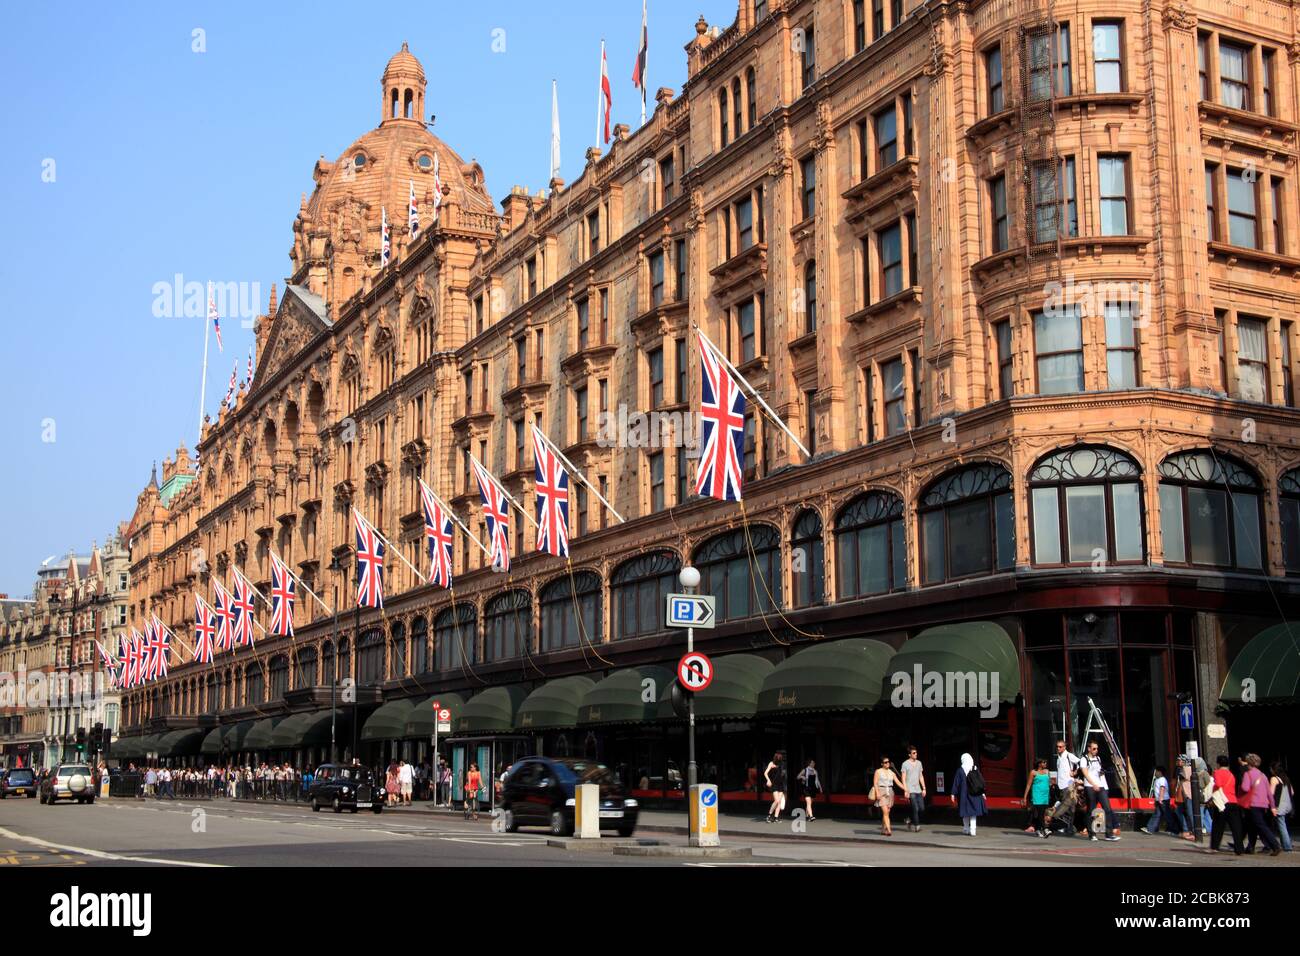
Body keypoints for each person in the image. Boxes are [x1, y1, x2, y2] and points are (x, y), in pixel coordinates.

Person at [1239, 753, 1282, 856]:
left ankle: (1275, 845)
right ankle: (1250, 847)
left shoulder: (1248, 774)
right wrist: (1272, 806)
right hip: (1263, 804)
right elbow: (1269, 793)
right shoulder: (1263, 775)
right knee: (1251, 825)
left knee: (1260, 825)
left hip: (1252, 803)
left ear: (1248, 763)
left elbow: (1245, 788)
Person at [1081, 741, 1120, 841]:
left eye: (1097, 749)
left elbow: (1099, 772)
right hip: (1090, 786)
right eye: (1094, 748)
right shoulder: (1084, 759)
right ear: (1089, 748)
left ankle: (1109, 833)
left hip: (1100, 786)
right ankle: (1092, 834)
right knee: (1091, 810)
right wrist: (1093, 784)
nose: (1096, 751)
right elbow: (1085, 773)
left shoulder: (1098, 758)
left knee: (1107, 808)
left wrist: (1102, 782)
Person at [1207, 753, 1245, 855]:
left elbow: (1218, 784)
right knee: (1236, 827)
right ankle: (1239, 848)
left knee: (1218, 826)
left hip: (1222, 802)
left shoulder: (1217, 772)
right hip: (1233, 801)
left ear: (1218, 763)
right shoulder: (1231, 774)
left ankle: (1214, 847)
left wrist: (1213, 792)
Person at [1045, 739, 1080, 837]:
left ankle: (1068, 826)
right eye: (1057, 746)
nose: (1058, 748)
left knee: (1068, 806)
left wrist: (1075, 772)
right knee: (1071, 807)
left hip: (1069, 784)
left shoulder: (1069, 755)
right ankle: (1070, 827)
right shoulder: (1058, 758)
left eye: (1060, 747)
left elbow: (1081, 763)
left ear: (1064, 747)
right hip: (1061, 785)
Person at [951, 753, 987, 836]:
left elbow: (956, 783)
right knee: (973, 813)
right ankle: (973, 830)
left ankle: (966, 829)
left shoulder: (960, 770)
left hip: (964, 795)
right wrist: (983, 793)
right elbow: (980, 781)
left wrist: (953, 794)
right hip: (975, 793)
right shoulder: (975, 768)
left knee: (965, 813)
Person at [870, 756, 906, 836]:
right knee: (885, 812)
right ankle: (889, 830)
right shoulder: (878, 771)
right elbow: (875, 783)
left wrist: (905, 789)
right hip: (881, 791)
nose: (887, 763)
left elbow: (898, 782)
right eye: (885, 762)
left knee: (887, 812)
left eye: (888, 762)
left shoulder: (891, 772)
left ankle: (883, 829)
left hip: (890, 792)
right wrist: (878, 793)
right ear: (882, 764)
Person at [900, 746, 926, 832]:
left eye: (916, 752)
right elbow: (903, 778)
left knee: (922, 808)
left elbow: (921, 776)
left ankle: (908, 819)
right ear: (909, 755)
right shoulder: (905, 764)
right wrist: (905, 790)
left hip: (918, 789)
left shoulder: (919, 763)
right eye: (914, 753)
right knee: (915, 808)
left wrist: (924, 788)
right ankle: (917, 826)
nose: (916, 754)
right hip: (910, 789)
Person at [1023, 759, 1052, 834]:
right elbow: (1029, 785)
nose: (1045, 763)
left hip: (1045, 795)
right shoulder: (1033, 772)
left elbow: (1049, 783)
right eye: (1044, 762)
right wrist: (1025, 797)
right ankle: (1045, 829)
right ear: (1039, 764)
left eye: (1046, 762)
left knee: (1042, 813)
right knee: (1040, 812)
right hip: (1037, 795)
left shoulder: (1047, 771)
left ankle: (1038, 830)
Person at [1269, 762, 1293, 852]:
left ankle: (1287, 846)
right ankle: (1285, 845)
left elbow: (1271, 793)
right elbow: (1292, 792)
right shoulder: (1286, 778)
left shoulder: (1274, 779)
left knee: (1281, 825)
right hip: (1286, 805)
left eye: (1271, 769)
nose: (1270, 770)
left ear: (1274, 770)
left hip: (1278, 805)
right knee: (1282, 824)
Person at [1145, 765, 1174, 835]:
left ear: (1160, 772)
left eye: (1156, 771)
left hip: (1163, 800)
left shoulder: (1162, 779)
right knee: (1157, 814)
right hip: (1160, 800)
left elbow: (1162, 788)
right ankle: (1150, 828)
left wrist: (1160, 798)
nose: (1155, 773)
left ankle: (1174, 829)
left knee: (1167, 815)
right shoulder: (1158, 779)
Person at [763, 752, 787, 823]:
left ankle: (776, 817)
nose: (780, 759)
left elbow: (783, 773)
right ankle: (769, 815)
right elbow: (765, 773)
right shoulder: (771, 763)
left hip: (781, 784)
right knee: (776, 800)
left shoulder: (782, 764)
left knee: (779, 802)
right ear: (776, 757)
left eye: (781, 758)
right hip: (774, 784)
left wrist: (783, 772)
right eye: (779, 757)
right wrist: (768, 780)